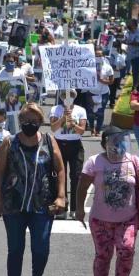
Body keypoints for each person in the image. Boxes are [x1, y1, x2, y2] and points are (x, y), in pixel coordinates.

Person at [0, 103, 66, 276]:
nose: (29, 124)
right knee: (15, 251)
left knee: (41, 250)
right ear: (19, 121)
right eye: (25, 120)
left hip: (42, 205)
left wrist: (61, 196)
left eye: (33, 121)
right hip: (13, 206)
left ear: (40, 122)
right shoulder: (9, 142)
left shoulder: (49, 141)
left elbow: (59, 169)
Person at [76, 126, 139, 276]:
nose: (118, 145)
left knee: (127, 249)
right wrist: (79, 208)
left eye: (121, 140)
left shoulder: (133, 160)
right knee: (103, 255)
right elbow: (82, 187)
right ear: (104, 144)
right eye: (114, 141)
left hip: (128, 219)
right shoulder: (94, 162)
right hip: (100, 221)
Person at [49, 89, 87, 219]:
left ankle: (75, 208)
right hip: (59, 144)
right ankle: (62, 207)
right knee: (60, 176)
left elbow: (81, 130)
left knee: (76, 176)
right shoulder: (55, 109)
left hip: (75, 145)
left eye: (70, 95)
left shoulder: (80, 110)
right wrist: (63, 119)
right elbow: (53, 127)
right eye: (65, 95)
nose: (67, 98)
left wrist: (73, 124)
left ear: (74, 96)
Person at [87, 47, 114, 137]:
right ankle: (91, 128)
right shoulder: (89, 66)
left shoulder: (108, 68)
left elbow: (111, 81)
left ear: (103, 57)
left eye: (100, 55)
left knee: (100, 112)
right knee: (90, 113)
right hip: (91, 92)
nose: (98, 57)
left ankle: (98, 130)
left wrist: (101, 80)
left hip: (103, 93)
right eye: (96, 55)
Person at [125, 19, 139, 88]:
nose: (127, 25)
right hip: (131, 55)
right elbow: (126, 40)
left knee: (135, 71)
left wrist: (128, 42)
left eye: (129, 24)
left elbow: (138, 43)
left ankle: (136, 86)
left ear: (134, 25)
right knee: (135, 72)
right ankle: (137, 86)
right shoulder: (128, 33)